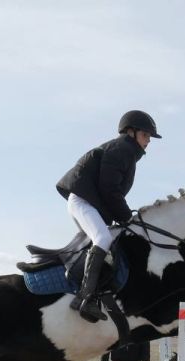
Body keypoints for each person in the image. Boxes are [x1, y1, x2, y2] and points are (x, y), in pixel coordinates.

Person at [56, 110, 161, 323]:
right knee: (103, 239)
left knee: (110, 244)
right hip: (83, 202)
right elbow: (109, 189)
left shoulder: (127, 152)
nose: (148, 140)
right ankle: (85, 298)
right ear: (130, 132)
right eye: (145, 135)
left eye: (149, 137)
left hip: (90, 202)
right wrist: (126, 217)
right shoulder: (121, 149)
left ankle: (99, 293)